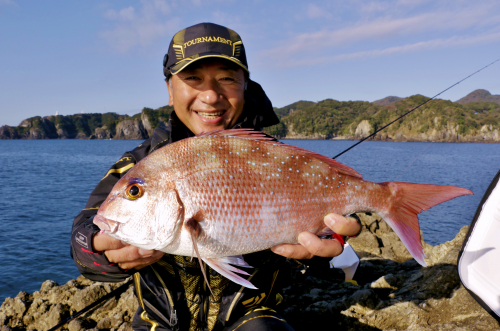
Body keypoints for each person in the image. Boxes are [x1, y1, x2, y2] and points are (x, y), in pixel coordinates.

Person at [71, 22, 361, 331]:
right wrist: (97, 251)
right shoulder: (141, 165)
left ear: (245, 87)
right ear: (170, 90)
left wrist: (333, 242)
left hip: (253, 317)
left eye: (226, 79)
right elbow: (85, 231)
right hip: (159, 323)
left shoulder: (277, 158)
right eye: (193, 78)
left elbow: (339, 243)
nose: (210, 95)